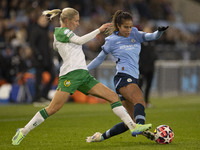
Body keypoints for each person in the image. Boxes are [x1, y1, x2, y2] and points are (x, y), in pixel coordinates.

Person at [11, 8, 152, 146]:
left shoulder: (64, 35)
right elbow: (79, 41)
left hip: (83, 75)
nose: (78, 24)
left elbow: (58, 46)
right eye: (76, 21)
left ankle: (133, 126)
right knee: (53, 108)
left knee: (113, 97)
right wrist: (99, 29)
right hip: (70, 76)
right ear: (67, 20)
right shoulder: (62, 31)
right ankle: (23, 131)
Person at [86, 10, 168, 142]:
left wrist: (160, 32)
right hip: (123, 77)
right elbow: (99, 59)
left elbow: (152, 36)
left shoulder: (135, 33)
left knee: (129, 122)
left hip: (132, 78)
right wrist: (85, 69)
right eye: (126, 27)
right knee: (139, 100)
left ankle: (99, 137)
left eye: (130, 26)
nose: (129, 29)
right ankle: (140, 126)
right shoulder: (111, 40)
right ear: (118, 25)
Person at [29, 15, 56, 106]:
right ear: (38, 20)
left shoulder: (46, 31)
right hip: (38, 60)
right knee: (38, 79)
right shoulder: (35, 30)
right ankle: (36, 98)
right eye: (43, 19)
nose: (45, 21)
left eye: (46, 20)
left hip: (47, 59)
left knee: (53, 75)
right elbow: (32, 44)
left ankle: (44, 95)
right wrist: (38, 55)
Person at [138, 25, 157, 108]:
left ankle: (146, 101)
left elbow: (154, 55)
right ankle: (138, 101)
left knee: (149, 85)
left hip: (151, 68)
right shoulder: (140, 43)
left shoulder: (152, 43)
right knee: (140, 85)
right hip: (142, 68)